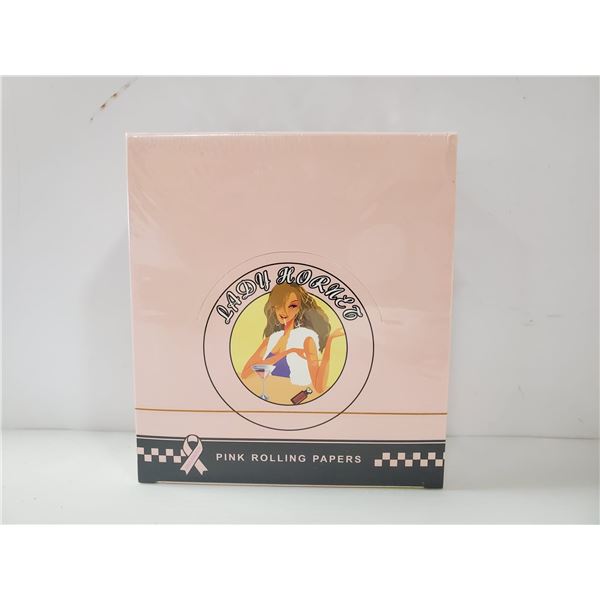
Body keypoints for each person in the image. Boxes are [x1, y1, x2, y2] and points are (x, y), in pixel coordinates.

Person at [241, 283, 344, 393]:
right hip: (269, 394)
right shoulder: (271, 339)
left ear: (299, 309)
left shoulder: (306, 339)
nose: (284, 311)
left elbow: (319, 387)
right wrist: (288, 352)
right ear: (273, 307)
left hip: (292, 395)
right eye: (279, 304)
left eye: (292, 306)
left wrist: (329, 341)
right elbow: (245, 374)